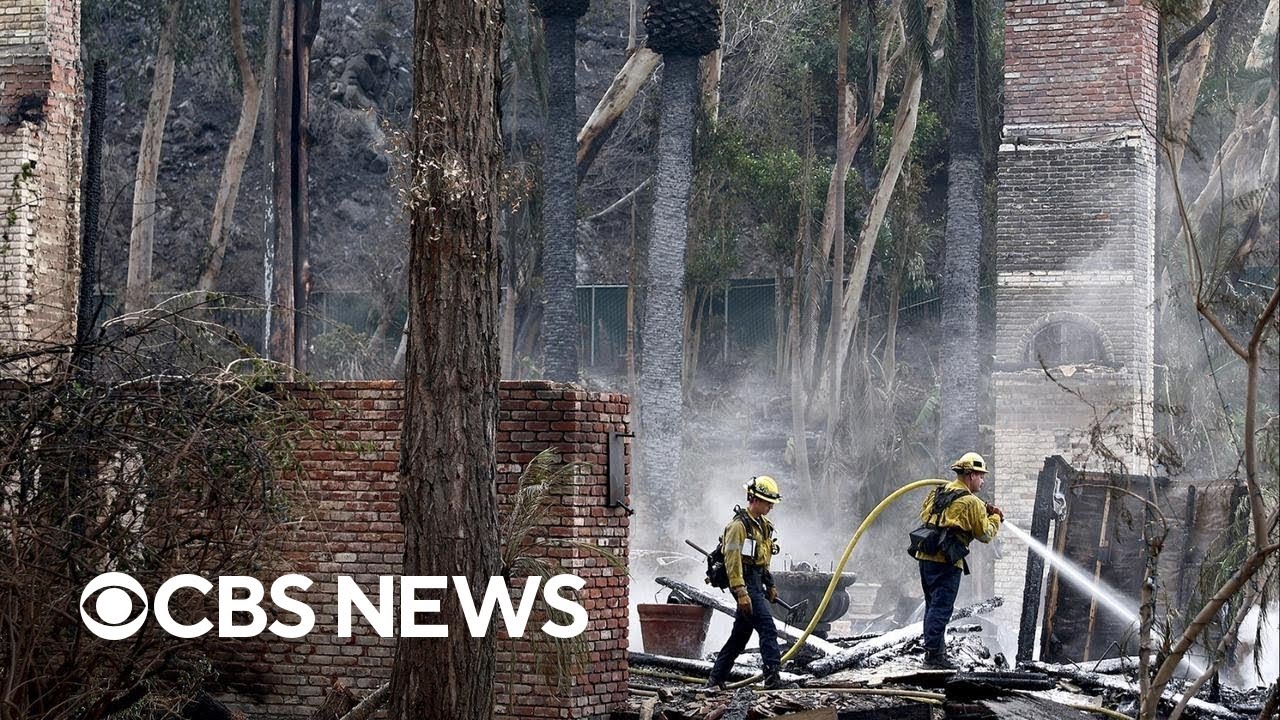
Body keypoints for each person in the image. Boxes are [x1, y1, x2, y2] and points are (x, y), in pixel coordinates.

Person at [912, 452, 1004, 669]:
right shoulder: (970, 502)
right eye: (981, 476)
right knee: (942, 608)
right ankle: (934, 658)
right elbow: (985, 535)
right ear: (970, 475)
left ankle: (934, 651)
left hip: (925, 556)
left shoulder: (940, 492)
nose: (982, 481)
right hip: (947, 561)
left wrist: (982, 508)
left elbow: (927, 515)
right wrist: (996, 517)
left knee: (932, 606)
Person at [706, 475, 794, 690]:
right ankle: (772, 680)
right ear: (753, 498)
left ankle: (715, 680)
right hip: (743, 582)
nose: (771, 506)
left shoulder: (764, 526)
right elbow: (732, 561)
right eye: (767, 502)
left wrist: (770, 584)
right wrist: (741, 592)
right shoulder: (738, 526)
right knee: (768, 628)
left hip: (756, 580)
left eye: (772, 502)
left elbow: (762, 560)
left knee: (740, 636)